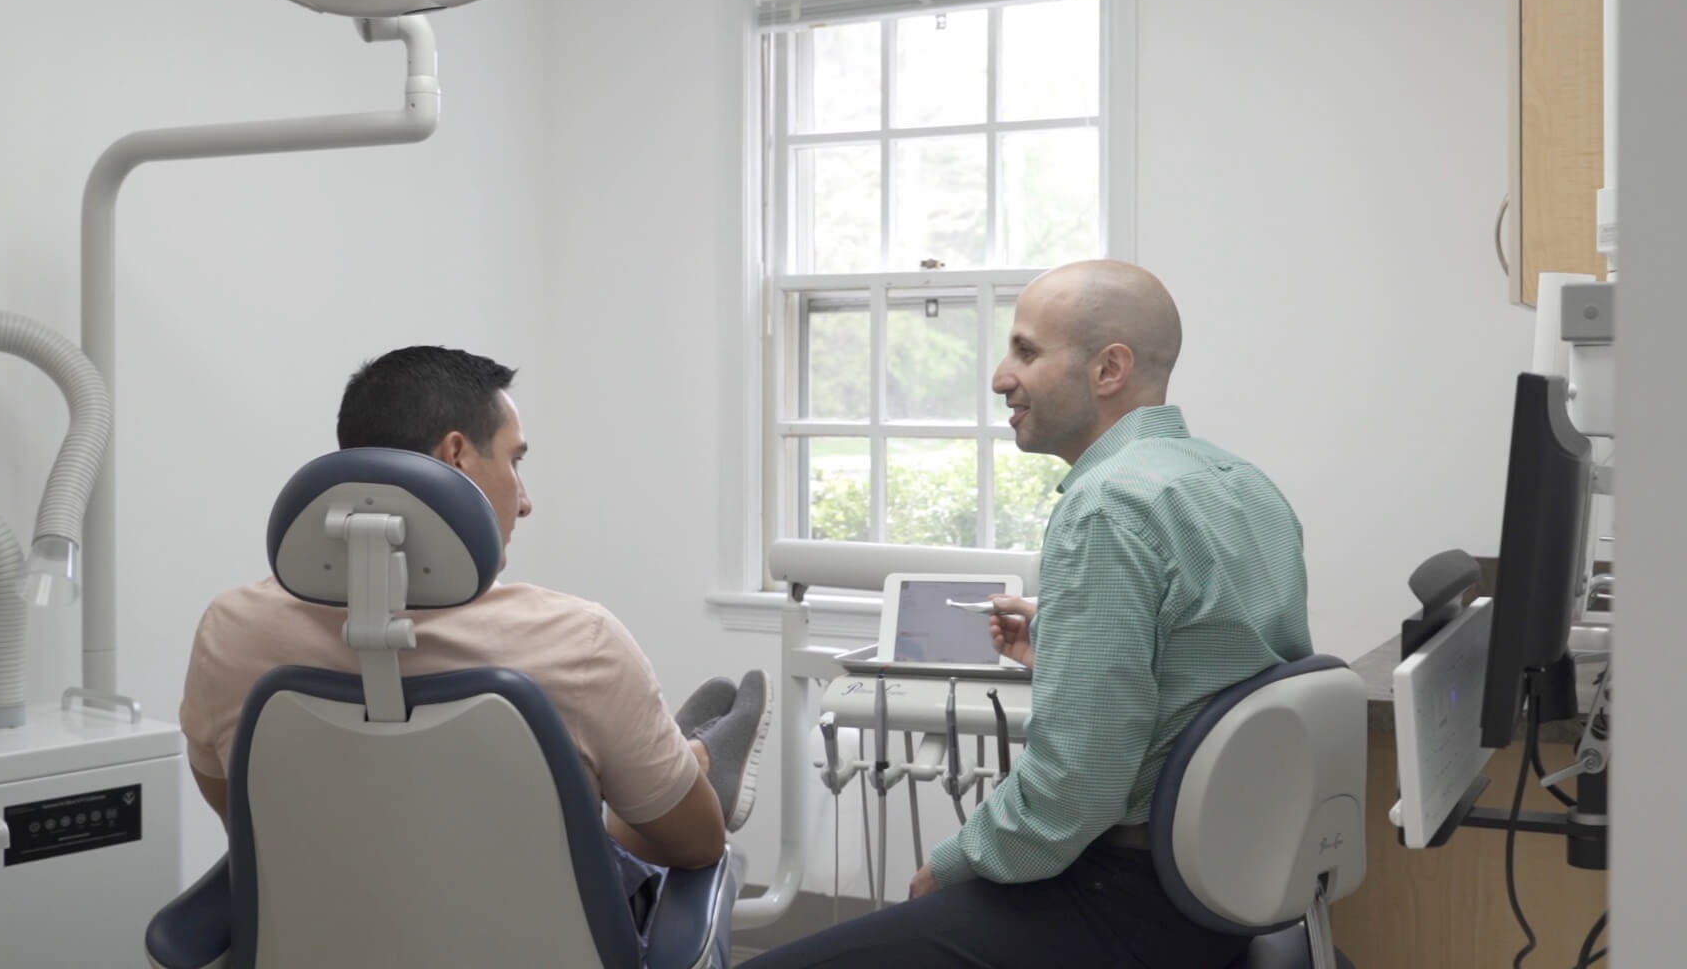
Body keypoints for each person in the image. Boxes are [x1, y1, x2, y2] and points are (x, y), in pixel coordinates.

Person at [744, 261, 1313, 968]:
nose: (999, 376)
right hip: (1230, 882)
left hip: (1127, 899)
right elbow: (1221, 663)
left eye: (1026, 351)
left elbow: (1075, 787)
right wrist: (1065, 636)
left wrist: (953, 863)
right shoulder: (1245, 486)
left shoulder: (1107, 506)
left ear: (1109, 369)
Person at [179, 345, 771, 942]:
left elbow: (246, 818)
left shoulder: (231, 631)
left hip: (338, 938)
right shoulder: (578, 643)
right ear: (457, 455)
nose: (526, 498)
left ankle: (667, 767)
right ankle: (684, 767)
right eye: (516, 461)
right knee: (627, 835)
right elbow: (697, 846)